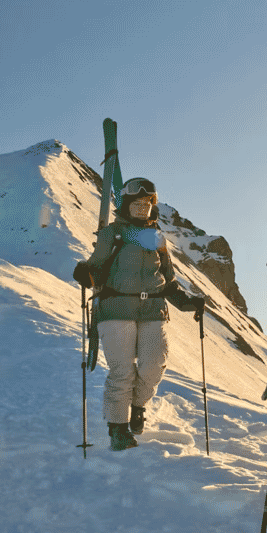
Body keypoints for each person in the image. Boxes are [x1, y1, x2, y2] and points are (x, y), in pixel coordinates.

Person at [73, 178, 206, 451]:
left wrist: (186, 302)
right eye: (137, 204)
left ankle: (137, 406)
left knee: (153, 366)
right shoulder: (112, 234)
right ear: (126, 205)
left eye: (147, 204)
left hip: (152, 310)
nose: (142, 208)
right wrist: (84, 273)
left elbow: (167, 279)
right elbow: (95, 268)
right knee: (122, 371)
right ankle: (118, 428)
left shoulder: (157, 238)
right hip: (115, 308)